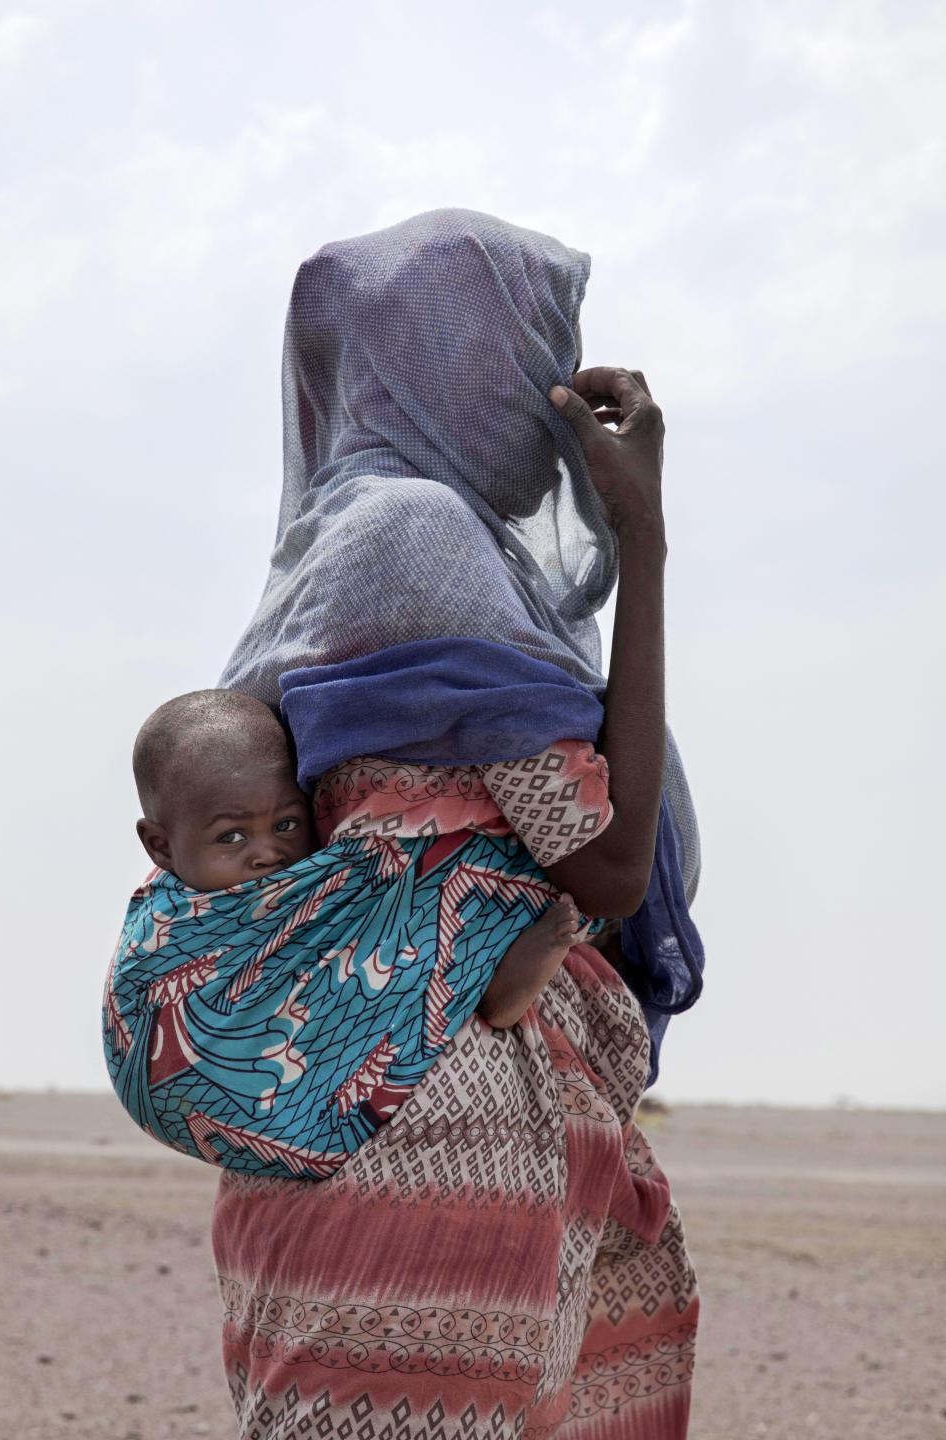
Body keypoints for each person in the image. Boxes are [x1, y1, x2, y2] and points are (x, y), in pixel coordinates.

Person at [166, 210, 704, 1437]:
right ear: (471, 369)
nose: (553, 392)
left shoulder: (320, 563)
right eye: (532, 355)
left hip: (335, 1126)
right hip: (442, 1148)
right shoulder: (421, 542)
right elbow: (610, 866)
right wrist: (646, 538)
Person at [103, 688, 592, 1177]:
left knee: (419, 918)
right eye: (231, 836)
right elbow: (140, 997)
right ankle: (497, 993)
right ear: (160, 847)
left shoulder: (334, 892)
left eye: (288, 824)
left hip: (354, 1076)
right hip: (228, 1099)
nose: (267, 852)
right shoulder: (168, 921)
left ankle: (497, 984)